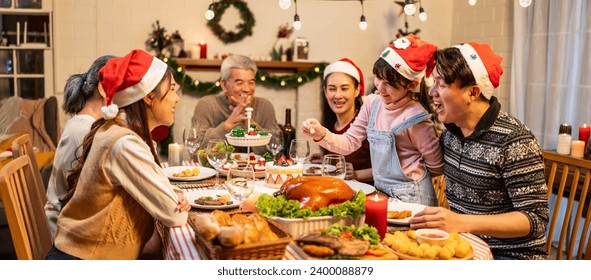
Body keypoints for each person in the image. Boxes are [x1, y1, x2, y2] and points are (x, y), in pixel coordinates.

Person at [46, 49, 190, 260]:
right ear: (149, 96)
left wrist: (171, 193)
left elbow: (161, 189)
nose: (177, 98)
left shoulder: (116, 130)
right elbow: (175, 214)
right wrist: (172, 197)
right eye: (172, 90)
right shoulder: (124, 144)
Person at [409, 42, 548, 260]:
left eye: (441, 85)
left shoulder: (515, 141)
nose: (432, 92)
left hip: (511, 256)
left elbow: (535, 220)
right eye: (432, 83)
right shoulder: (450, 134)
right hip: (466, 246)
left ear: (473, 92)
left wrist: (460, 222)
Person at [303, 34, 443, 206]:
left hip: (414, 199)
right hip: (382, 193)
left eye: (389, 83)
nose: (380, 88)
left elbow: (436, 167)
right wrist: (322, 134)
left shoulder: (416, 119)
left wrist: (410, 168)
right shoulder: (372, 103)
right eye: (378, 78)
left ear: (412, 85)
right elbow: (349, 142)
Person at [44, 55, 115, 240]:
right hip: (67, 235)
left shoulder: (87, 125)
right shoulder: (83, 131)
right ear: (102, 88)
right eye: (122, 87)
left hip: (72, 225)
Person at [191, 54, 281, 155]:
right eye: (239, 82)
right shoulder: (207, 105)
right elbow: (194, 151)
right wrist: (227, 125)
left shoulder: (264, 106)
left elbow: (276, 151)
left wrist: (249, 122)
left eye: (251, 82)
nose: (247, 89)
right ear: (224, 85)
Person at [311, 58, 372, 184]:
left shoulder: (366, 121)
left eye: (344, 89)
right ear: (325, 92)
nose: (337, 95)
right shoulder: (329, 124)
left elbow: (390, 168)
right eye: (332, 89)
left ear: (357, 91)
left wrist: (357, 174)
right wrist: (325, 159)